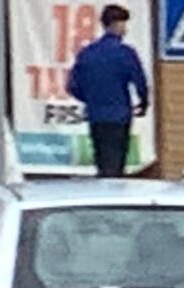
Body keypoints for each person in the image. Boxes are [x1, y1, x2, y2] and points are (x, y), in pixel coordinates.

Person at [69, 5, 150, 179]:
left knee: (102, 159)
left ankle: (103, 189)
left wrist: (91, 99)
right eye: (123, 24)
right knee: (117, 162)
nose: (125, 29)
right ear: (116, 25)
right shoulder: (125, 53)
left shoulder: (87, 53)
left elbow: (73, 86)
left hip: (96, 114)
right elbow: (140, 83)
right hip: (119, 115)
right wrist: (143, 103)